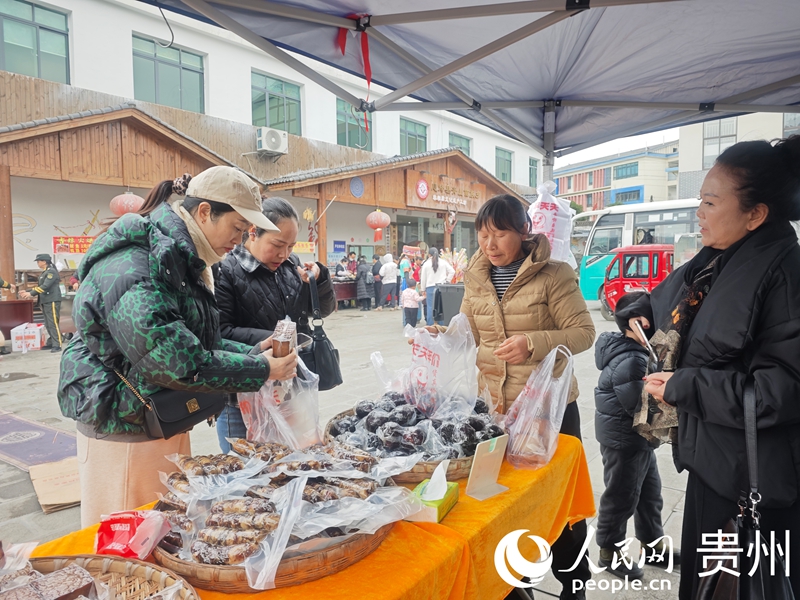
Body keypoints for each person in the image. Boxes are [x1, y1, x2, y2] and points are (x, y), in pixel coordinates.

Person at [57, 167, 298, 527]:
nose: (239, 239)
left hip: (159, 415)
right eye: (236, 227)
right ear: (204, 213)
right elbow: (173, 360)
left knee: (162, 529)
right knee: (127, 536)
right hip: (124, 424)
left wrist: (252, 352)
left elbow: (197, 341)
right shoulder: (137, 263)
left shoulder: (181, 259)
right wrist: (262, 369)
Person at [616, 136, 800, 599]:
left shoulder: (784, 273)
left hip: (752, 477)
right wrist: (636, 310)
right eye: (700, 200)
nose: (699, 211)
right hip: (712, 462)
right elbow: (669, 302)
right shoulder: (716, 259)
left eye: (711, 202)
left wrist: (687, 386)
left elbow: (783, 389)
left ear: (756, 214)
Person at [425, 194, 595, 599]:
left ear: (524, 231)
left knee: (560, 500)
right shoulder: (476, 278)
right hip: (496, 411)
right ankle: (517, 581)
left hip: (547, 409)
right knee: (509, 503)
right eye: (483, 235)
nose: (490, 244)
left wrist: (531, 343)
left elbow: (584, 333)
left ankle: (574, 581)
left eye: (500, 233)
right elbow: (467, 331)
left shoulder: (555, 275)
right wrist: (443, 337)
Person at [214, 196, 335, 452]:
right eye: (278, 244)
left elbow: (322, 311)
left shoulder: (291, 266)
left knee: (296, 464)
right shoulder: (225, 270)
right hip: (242, 395)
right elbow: (219, 332)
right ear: (252, 232)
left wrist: (319, 280)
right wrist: (278, 338)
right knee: (247, 475)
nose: (284, 254)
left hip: (290, 389)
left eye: (291, 246)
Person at [594, 291, 671, 580]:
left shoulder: (634, 351)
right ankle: (609, 552)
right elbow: (640, 406)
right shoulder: (632, 360)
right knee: (622, 496)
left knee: (650, 494)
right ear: (638, 322)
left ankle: (653, 546)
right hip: (624, 440)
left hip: (636, 440)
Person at [19, 254, 62, 353]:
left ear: (44, 261)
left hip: (51, 300)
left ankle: (57, 344)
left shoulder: (51, 271)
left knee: (53, 323)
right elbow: (41, 286)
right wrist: (27, 291)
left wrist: (30, 294)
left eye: (39, 261)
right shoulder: (45, 272)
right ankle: (51, 341)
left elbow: (46, 286)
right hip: (45, 300)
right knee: (48, 323)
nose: (38, 263)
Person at [419, 247, 455, 326]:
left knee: (430, 307)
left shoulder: (426, 264)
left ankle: (431, 325)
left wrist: (422, 289)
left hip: (430, 288)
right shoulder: (443, 262)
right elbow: (452, 271)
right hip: (441, 287)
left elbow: (423, 278)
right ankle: (442, 325)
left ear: (429, 255)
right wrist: (447, 281)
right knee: (441, 306)